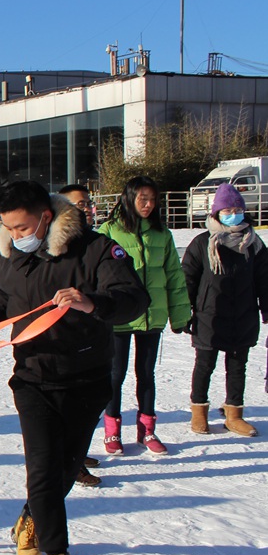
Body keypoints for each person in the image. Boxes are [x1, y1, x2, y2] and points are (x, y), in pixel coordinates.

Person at [0, 181, 148, 555]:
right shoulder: (12, 258)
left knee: (64, 470)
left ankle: (31, 518)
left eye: (22, 228)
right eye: (8, 228)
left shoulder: (95, 249)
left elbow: (133, 298)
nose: (15, 236)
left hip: (87, 379)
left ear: (45, 217)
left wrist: (91, 302)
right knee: (42, 470)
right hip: (33, 379)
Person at [97, 177, 191, 456]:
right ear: (129, 198)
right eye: (143, 199)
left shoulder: (162, 234)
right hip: (120, 315)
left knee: (146, 374)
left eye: (152, 199)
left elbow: (174, 276)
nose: (148, 205)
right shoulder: (109, 231)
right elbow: (96, 275)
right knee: (115, 374)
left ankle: (147, 430)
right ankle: (112, 431)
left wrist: (180, 316)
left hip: (152, 315)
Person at [181, 183, 268, 437]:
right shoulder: (202, 243)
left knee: (238, 366)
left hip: (243, 314)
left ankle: (234, 415)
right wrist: (184, 312)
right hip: (210, 314)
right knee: (204, 364)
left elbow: (265, 279)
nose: (233, 214)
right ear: (217, 213)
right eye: (228, 210)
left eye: (238, 210)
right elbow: (188, 279)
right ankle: (199, 411)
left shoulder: (254, 244)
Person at [57, 185, 104, 486]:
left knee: (90, 404)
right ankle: (71, 462)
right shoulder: (54, 248)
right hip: (64, 342)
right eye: (78, 204)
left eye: (87, 203)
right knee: (69, 408)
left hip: (94, 337)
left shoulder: (98, 244)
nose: (85, 208)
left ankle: (78, 453)